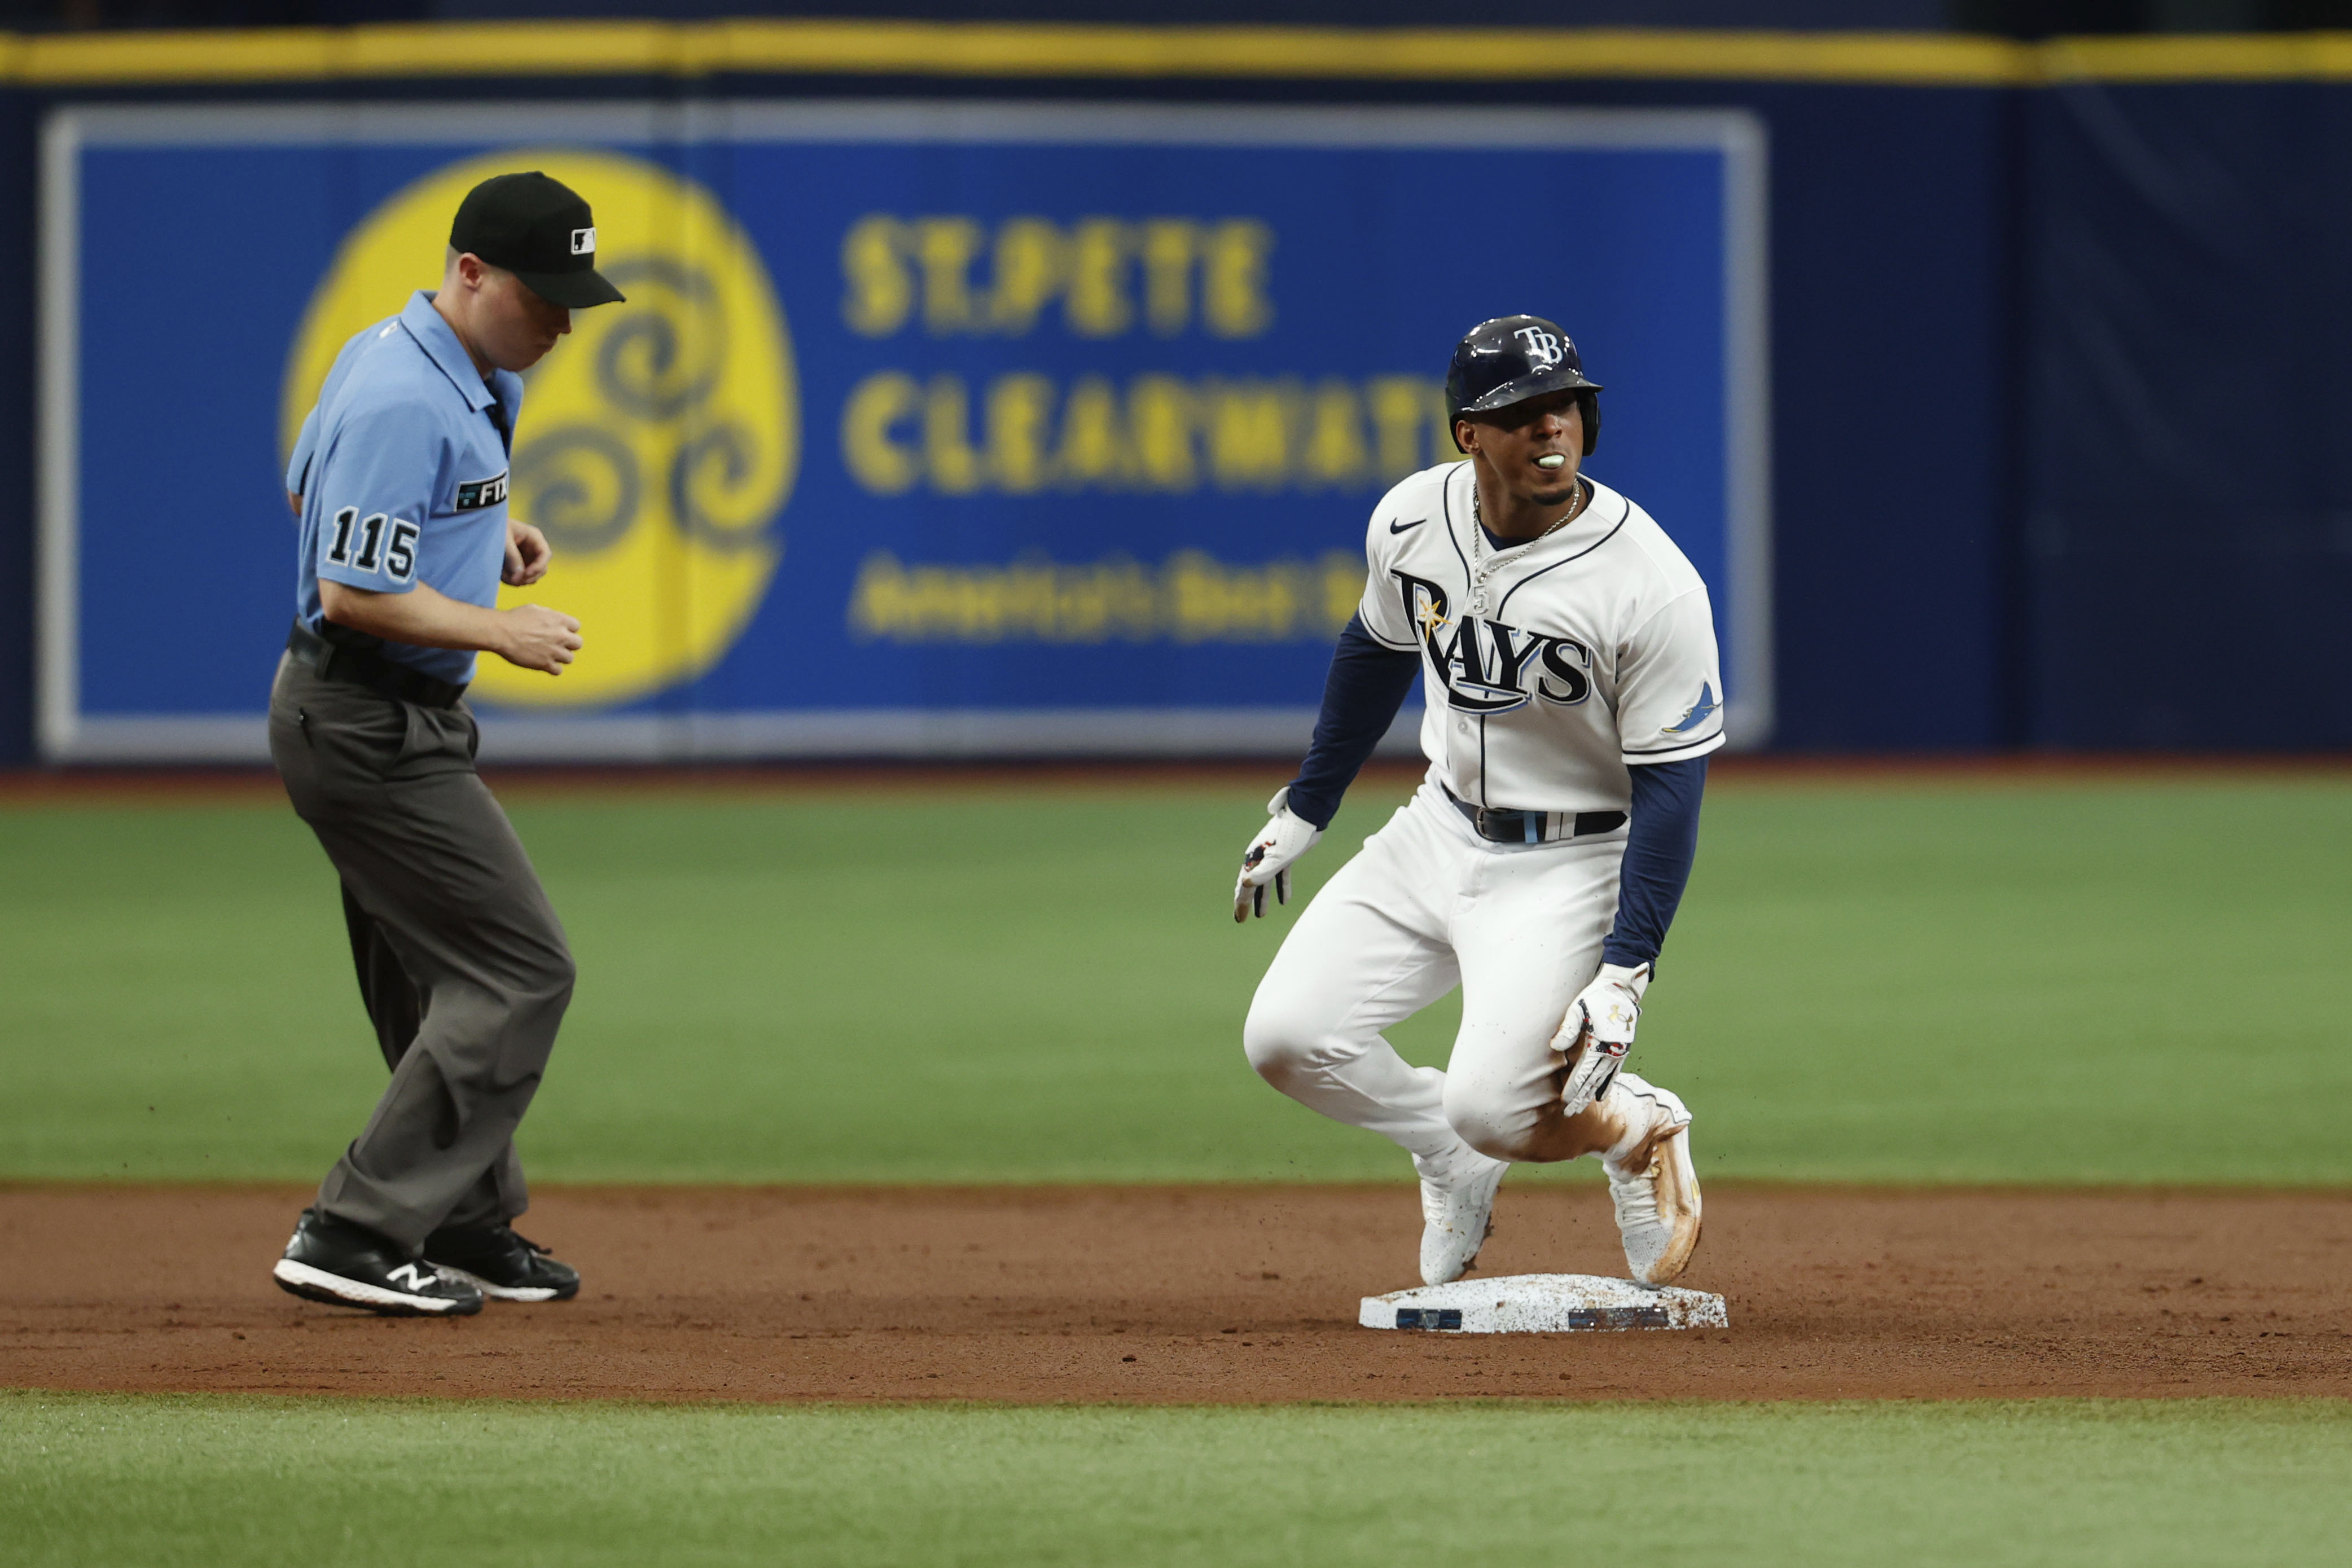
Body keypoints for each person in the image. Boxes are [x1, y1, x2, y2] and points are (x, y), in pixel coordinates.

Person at [1234, 314, 1721, 1289]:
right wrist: (1310, 804)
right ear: (1470, 433)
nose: (1553, 432)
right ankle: (1451, 1156)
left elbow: (1673, 788)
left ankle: (1638, 1127)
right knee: (1287, 1040)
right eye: (1526, 414)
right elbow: (1376, 647)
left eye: (1568, 410)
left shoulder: (1651, 585)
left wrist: (1628, 969)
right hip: (1436, 825)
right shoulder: (1414, 518)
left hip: (1572, 859)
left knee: (1498, 1107)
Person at [267, 172, 625, 1316]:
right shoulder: (397, 395)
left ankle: (461, 1219)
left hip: (384, 714)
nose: (562, 323)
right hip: (365, 717)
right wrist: (495, 625)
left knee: (433, 973)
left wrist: (483, 537)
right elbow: (351, 588)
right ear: (469, 273)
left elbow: (307, 496)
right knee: (521, 969)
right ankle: (355, 1227)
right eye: (544, 296)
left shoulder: (457, 367)